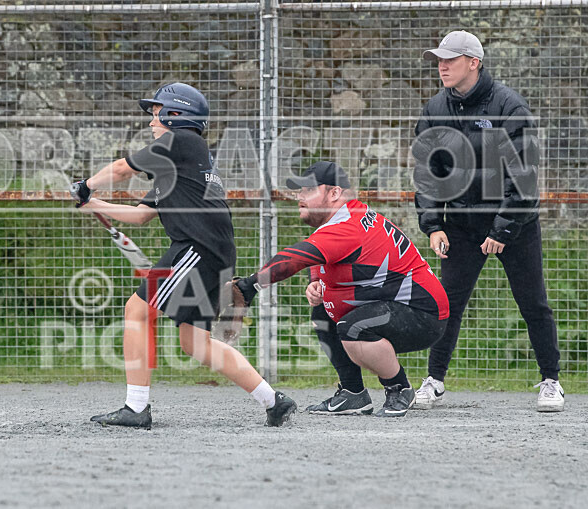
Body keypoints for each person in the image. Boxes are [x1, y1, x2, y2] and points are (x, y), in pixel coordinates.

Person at [70, 82, 296, 429]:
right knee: (194, 342)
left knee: (137, 310)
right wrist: (94, 204)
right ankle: (273, 401)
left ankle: (136, 408)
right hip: (212, 252)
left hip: (196, 248)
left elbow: (120, 169)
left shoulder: (181, 142)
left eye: (158, 112)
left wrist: (86, 184)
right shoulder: (180, 163)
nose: (151, 121)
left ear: (177, 115)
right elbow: (142, 214)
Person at [412, 30, 564, 412]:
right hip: (461, 224)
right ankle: (434, 380)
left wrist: (502, 228)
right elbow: (428, 174)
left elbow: (524, 179)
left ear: (474, 63)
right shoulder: (435, 109)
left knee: (533, 304)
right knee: (447, 303)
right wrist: (433, 225)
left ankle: (551, 381)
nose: (442, 66)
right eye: (438, 61)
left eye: (449, 60)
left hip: (515, 225)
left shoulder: (509, 107)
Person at [228, 161, 450, 417]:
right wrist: (316, 280)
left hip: (425, 314)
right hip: (402, 305)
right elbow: (323, 255)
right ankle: (354, 394)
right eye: (298, 191)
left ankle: (399, 388)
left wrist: (248, 286)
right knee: (323, 313)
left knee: (353, 328)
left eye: (308, 190)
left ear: (334, 193)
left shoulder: (346, 227)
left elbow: (295, 258)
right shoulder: (349, 215)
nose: (299, 197)